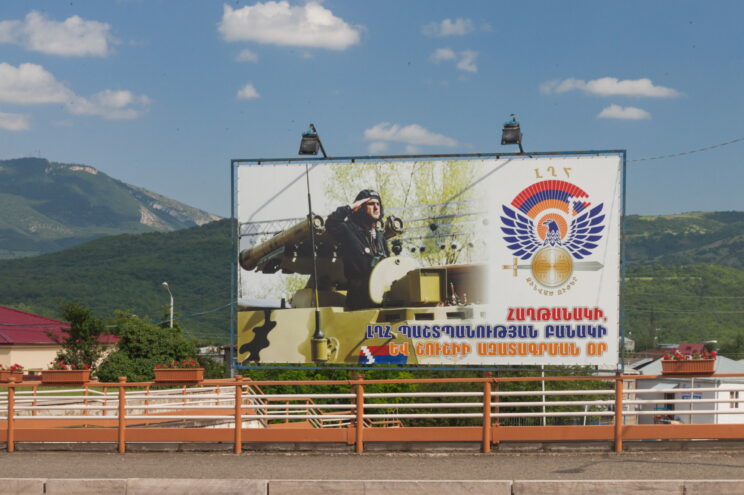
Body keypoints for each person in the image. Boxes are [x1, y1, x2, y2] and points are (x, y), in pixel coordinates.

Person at [326, 189, 390, 310]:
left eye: (378, 204)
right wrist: (351, 207)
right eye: (371, 204)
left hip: (381, 297)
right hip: (359, 299)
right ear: (360, 207)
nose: (376, 207)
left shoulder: (381, 238)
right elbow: (331, 223)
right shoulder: (349, 231)